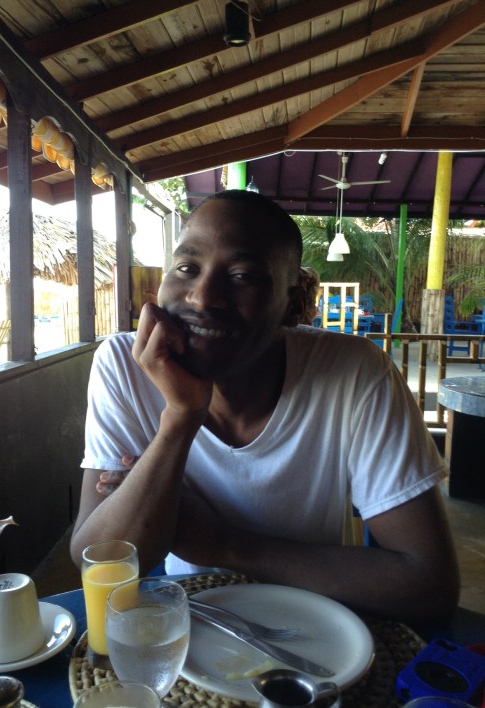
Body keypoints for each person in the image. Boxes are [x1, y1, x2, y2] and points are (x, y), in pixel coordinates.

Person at [70, 190, 459, 624]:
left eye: (243, 276)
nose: (202, 297)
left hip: (321, 630)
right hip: (193, 628)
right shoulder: (125, 365)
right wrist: (180, 418)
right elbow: (97, 561)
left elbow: (431, 585)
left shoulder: (355, 372)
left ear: (290, 302)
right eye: (187, 268)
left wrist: (224, 545)